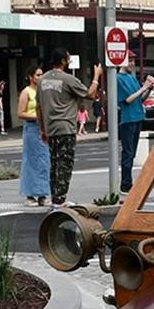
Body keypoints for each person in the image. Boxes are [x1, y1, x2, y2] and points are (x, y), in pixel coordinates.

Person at [37, 49, 99, 206]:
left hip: (51, 127)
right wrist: (96, 76)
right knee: (65, 164)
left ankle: (55, 198)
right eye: (68, 58)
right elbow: (90, 94)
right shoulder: (68, 79)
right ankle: (60, 200)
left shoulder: (42, 80)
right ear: (63, 61)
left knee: (54, 164)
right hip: (66, 127)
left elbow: (38, 107)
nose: (70, 60)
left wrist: (43, 129)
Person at [114, 56, 154, 194]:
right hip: (127, 119)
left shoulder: (132, 78)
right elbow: (128, 100)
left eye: (133, 61)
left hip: (137, 117)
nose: (132, 64)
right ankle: (125, 184)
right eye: (129, 61)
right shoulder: (118, 79)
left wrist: (149, 89)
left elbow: (139, 98)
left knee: (132, 153)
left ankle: (128, 182)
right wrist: (144, 87)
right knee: (128, 153)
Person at [17, 67, 51, 206]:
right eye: (38, 75)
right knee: (31, 162)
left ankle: (43, 194)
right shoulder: (26, 92)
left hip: (44, 128)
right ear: (31, 77)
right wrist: (36, 117)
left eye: (42, 74)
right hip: (32, 129)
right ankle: (29, 195)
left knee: (44, 162)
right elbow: (20, 113)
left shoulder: (44, 91)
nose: (40, 77)